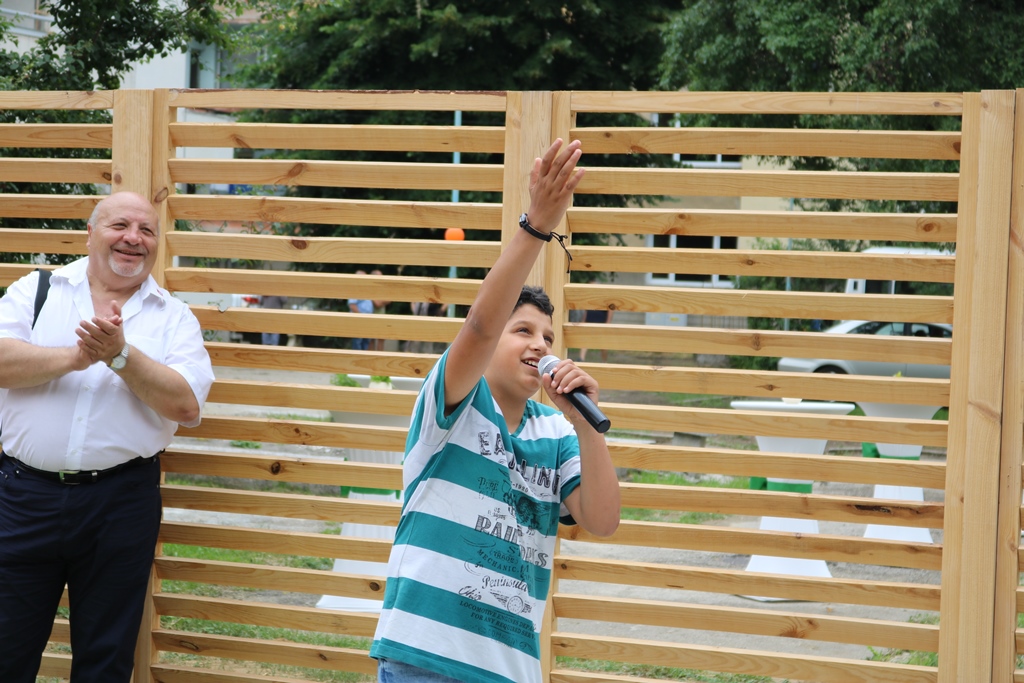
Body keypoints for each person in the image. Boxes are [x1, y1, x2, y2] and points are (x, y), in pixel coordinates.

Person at [370, 138, 620, 683]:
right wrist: (538, 225)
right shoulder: (453, 403)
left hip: (508, 670)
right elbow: (481, 327)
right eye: (523, 330)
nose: (539, 344)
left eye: (548, 336)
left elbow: (602, 520)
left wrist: (587, 428)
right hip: (423, 659)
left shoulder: (555, 431)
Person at [0, 191, 215, 683]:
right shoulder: (37, 290)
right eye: (120, 225)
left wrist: (120, 355)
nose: (133, 238)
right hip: (22, 497)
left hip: (121, 502)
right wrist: (77, 357)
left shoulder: (174, 316)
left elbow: (186, 405)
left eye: (147, 230)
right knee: (5, 647)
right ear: (91, 232)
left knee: (106, 659)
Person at [348, 270, 374, 351]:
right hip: (359, 320)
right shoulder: (355, 289)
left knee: (365, 342)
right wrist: (361, 316)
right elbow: (352, 305)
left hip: (367, 320)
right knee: (358, 342)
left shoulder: (366, 289)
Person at [369, 269, 390, 352]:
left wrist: (382, 302)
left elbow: (390, 299)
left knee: (381, 339)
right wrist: (383, 302)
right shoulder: (370, 289)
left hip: (382, 317)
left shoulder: (382, 289)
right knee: (371, 340)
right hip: (372, 318)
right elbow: (377, 304)